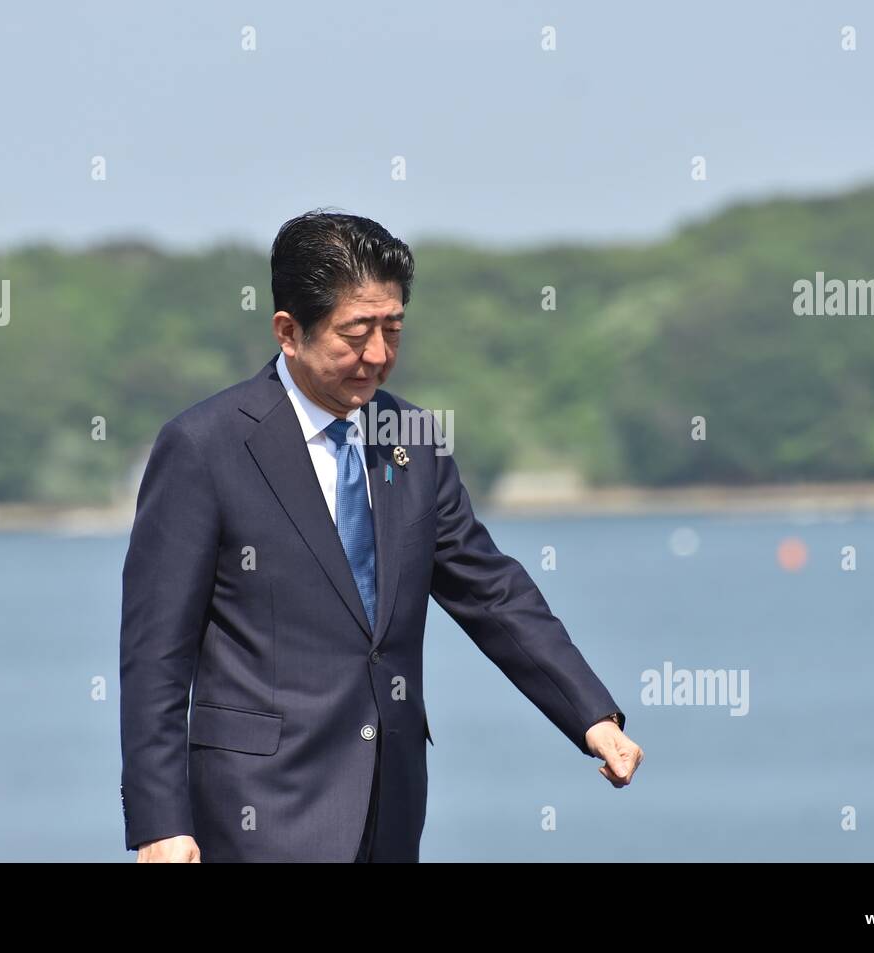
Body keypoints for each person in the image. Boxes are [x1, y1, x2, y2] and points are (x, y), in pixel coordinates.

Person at [120, 209, 642, 862]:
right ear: (289, 331)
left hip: (389, 806)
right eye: (355, 334)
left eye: (391, 330)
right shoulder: (204, 447)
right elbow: (154, 658)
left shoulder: (413, 440)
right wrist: (160, 823)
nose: (377, 356)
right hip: (256, 811)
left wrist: (590, 713)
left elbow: (489, 588)